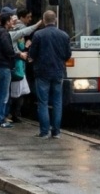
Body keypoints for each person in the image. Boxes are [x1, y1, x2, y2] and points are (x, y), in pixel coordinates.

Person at [28, 10, 72, 139]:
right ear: (55, 20)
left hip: (42, 72)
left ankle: (44, 131)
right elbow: (67, 54)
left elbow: (32, 54)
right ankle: (56, 131)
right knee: (57, 102)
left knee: (43, 102)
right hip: (58, 71)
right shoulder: (64, 35)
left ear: (44, 20)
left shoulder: (38, 35)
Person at [0, 13, 27, 129]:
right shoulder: (4, 34)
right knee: (3, 94)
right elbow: (8, 51)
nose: (13, 22)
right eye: (11, 20)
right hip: (4, 67)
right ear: (7, 22)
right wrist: (19, 54)